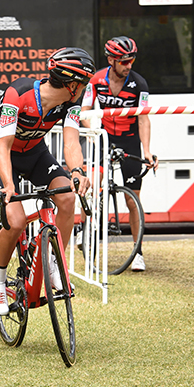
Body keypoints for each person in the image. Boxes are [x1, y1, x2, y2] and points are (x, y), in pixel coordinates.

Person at [0, 47, 94, 315]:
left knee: (67, 198)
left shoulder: (70, 103)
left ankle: (55, 264)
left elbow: (70, 141)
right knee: (16, 220)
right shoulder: (19, 94)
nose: (85, 88)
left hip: (36, 155)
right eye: (83, 83)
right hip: (5, 155)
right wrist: (8, 186)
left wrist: (77, 171)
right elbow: (3, 146)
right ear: (71, 84)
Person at [80, 36, 158, 272]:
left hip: (130, 141)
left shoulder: (139, 84)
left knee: (132, 200)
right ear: (112, 60)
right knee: (91, 187)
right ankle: (86, 240)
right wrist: (92, 131)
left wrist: (146, 150)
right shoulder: (96, 80)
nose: (129, 65)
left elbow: (143, 118)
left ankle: (138, 252)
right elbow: (84, 111)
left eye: (132, 60)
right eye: (124, 61)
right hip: (105, 138)